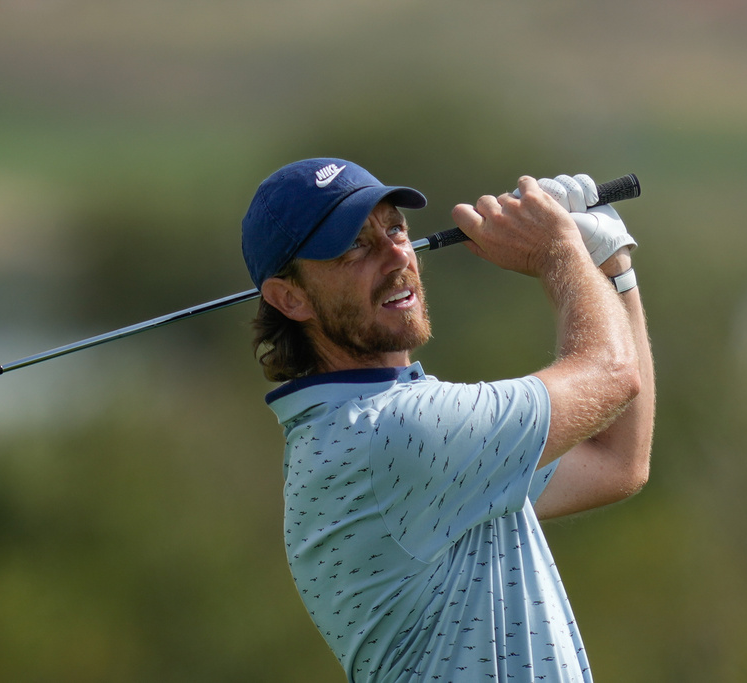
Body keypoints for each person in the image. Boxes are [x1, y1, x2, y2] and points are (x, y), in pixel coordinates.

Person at [241, 158, 654, 682]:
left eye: (394, 228)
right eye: (354, 247)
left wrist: (612, 270)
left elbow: (616, 462)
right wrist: (562, 253)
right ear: (289, 297)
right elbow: (612, 374)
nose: (396, 255)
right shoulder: (392, 434)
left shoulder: (359, 431)